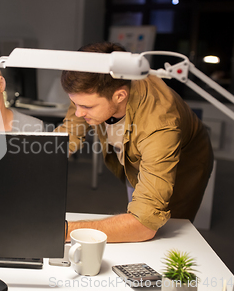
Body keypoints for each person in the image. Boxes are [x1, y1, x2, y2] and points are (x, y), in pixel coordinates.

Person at [56, 41, 214, 243]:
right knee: (133, 214)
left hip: (185, 163)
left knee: (164, 233)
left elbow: (144, 225)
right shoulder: (95, 87)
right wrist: (42, 162)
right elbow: (71, 130)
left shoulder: (159, 125)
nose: (78, 112)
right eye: (74, 103)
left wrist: (63, 231)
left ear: (119, 95)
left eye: (86, 106)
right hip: (136, 156)